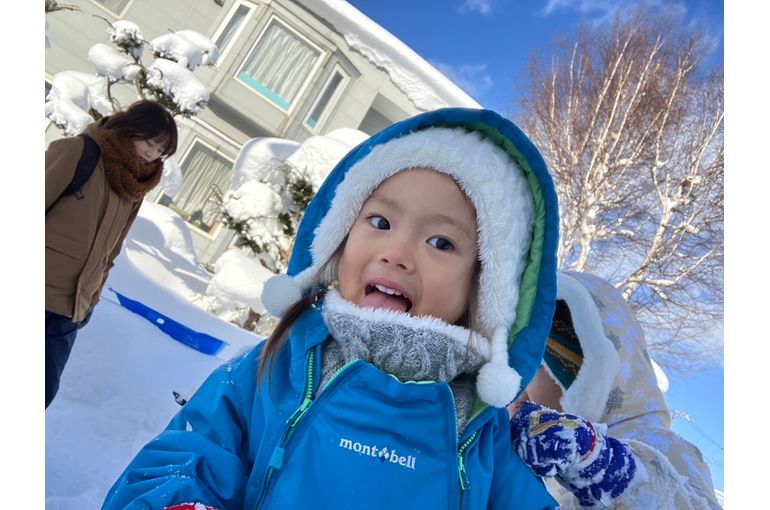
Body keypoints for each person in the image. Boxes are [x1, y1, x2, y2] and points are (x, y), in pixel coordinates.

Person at [102, 107, 562, 509]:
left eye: (441, 242)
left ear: (485, 289)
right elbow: (185, 456)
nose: (397, 252)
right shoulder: (274, 371)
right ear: (339, 237)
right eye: (379, 221)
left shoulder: (479, 430)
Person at [509, 271, 720, 509]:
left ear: (581, 371)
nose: (515, 388)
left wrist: (607, 468)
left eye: (532, 368)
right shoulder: (533, 461)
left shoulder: (659, 446)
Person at [45, 100, 178, 408]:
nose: (152, 154)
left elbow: (111, 251)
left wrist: (90, 299)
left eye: (161, 151)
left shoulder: (134, 187)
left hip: (71, 306)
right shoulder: (78, 152)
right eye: (150, 143)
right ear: (131, 128)